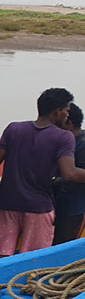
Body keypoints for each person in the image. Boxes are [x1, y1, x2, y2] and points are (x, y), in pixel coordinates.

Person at [0, 88, 85, 257]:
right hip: (38, 208)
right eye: (67, 111)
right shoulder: (63, 137)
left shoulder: (13, 129)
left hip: (6, 205)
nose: (68, 116)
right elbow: (69, 174)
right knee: (34, 259)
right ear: (57, 112)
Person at [53, 103, 85, 245]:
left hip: (73, 207)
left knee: (62, 244)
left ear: (69, 122)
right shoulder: (67, 141)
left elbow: (74, 175)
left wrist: (56, 180)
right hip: (59, 203)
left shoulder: (82, 144)